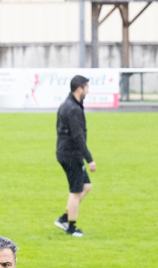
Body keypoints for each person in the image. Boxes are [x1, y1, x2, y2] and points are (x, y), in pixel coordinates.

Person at [54, 75, 96, 237]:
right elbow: (78, 137)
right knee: (76, 190)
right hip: (71, 154)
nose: (88, 90)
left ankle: (65, 217)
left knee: (86, 186)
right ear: (80, 88)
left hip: (65, 152)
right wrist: (90, 159)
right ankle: (71, 227)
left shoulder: (68, 104)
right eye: (86, 87)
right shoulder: (73, 109)